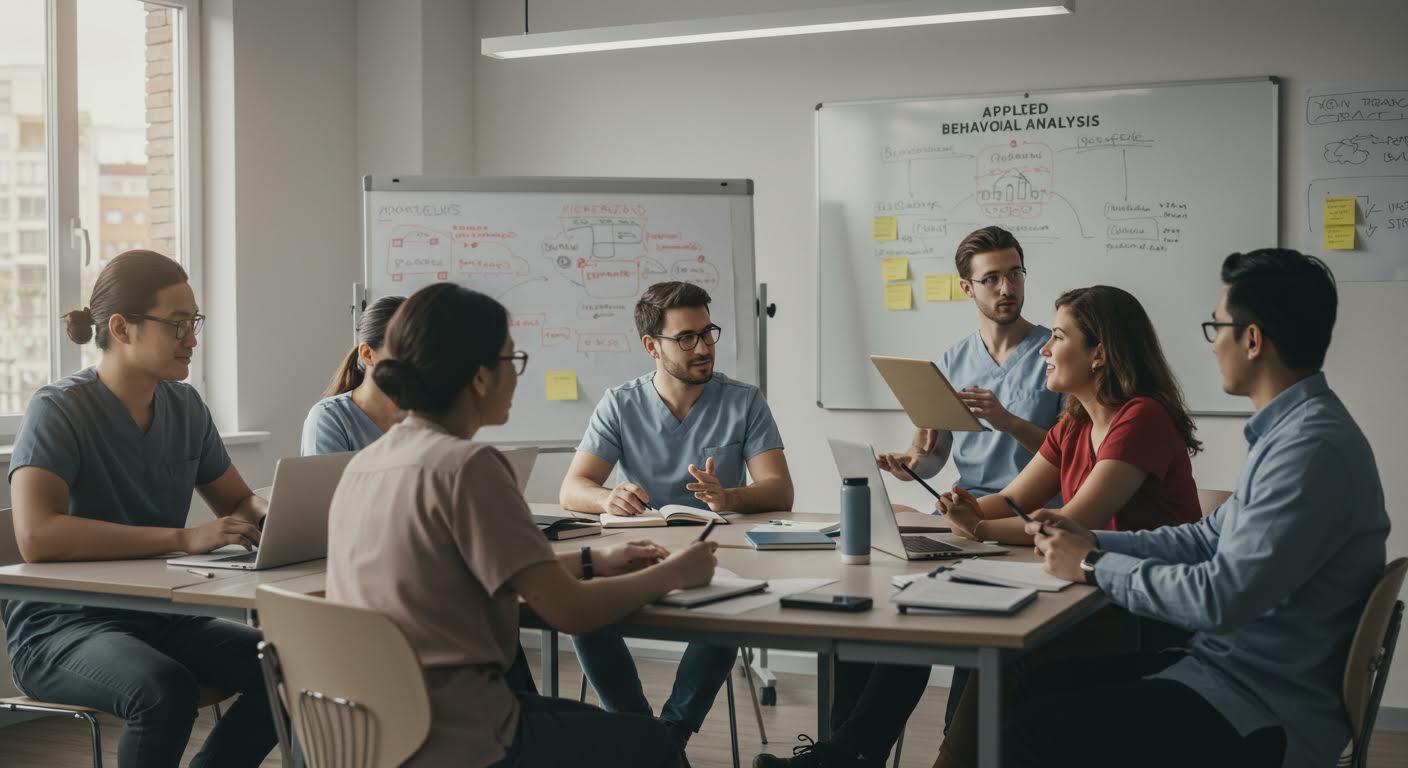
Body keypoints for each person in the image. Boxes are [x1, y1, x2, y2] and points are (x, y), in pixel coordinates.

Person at [1009, 249, 1387, 768]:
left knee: (1031, 728)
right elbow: (1205, 538)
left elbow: (1219, 599)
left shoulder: (1310, 451)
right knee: (1026, 683)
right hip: (1225, 673)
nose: (1213, 347)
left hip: (1259, 707)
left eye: (1218, 327)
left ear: (1252, 340)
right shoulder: (1292, 435)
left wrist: (1092, 564)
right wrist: (1094, 541)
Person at [325, 282, 719, 768]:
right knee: (652, 745)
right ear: (480, 378)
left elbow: (461, 573)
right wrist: (674, 573)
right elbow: (571, 612)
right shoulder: (469, 467)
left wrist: (593, 558)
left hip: (373, 732)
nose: (516, 376)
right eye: (512, 361)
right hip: (459, 736)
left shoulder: (364, 466)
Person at [756, 226, 1062, 768]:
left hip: (1023, 525)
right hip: (960, 521)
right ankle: (847, 752)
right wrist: (908, 465)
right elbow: (934, 456)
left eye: (1014, 273)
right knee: (876, 611)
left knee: (944, 628)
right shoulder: (952, 359)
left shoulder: (1055, 354)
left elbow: (1070, 454)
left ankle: (877, 752)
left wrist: (1008, 421)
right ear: (967, 288)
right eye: (990, 278)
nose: (1006, 287)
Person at [5, 250, 277, 768]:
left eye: (193, 322)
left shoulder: (185, 406)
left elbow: (238, 500)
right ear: (121, 328)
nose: (192, 338)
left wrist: (278, 517)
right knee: (163, 690)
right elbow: (37, 536)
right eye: (177, 324)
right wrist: (182, 538)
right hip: (61, 628)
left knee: (287, 664)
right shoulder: (57, 409)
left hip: (158, 617)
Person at [560, 280, 794, 744]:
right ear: (652, 345)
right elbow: (574, 487)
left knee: (731, 612)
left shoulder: (743, 400)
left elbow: (779, 490)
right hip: (636, 551)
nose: (704, 347)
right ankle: (642, 734)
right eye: (686, 338)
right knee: (580, 607)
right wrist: (608, 499)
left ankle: (667, 738)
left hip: (715, 554)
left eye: (708, 333)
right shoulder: (621, 403)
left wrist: (729, 497)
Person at [300, 294, 406, 455]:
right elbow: (324, 480)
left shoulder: (431, 416)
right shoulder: (330, 418)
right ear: (367, 354)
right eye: (404, 351)